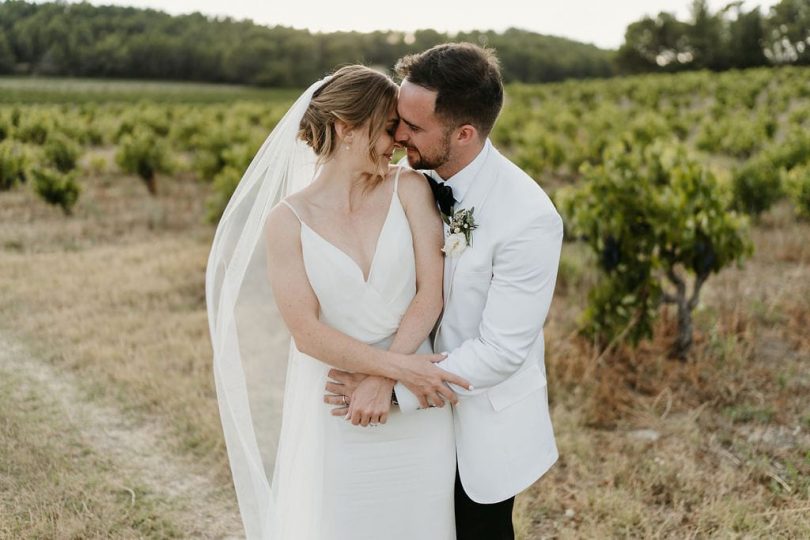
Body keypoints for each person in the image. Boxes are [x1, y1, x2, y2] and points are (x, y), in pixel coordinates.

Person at [206, 64, 471, 539]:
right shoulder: (287, 222)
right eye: (390, 128)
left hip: (416, 413)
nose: (399, 143)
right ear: (347, 128)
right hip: (337, 411)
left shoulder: (408, 189)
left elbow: (431, 294)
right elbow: (306, 332)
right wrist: (399, 372)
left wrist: (385, 378)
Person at [325, 43, 564, 539]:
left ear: (465, 133)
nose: (396, 133)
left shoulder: (529, 219)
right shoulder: (403, 181)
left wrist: (390, 385)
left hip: (479, 426)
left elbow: (501, 352)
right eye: (398, 119)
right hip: (404, 425)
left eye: (412, 126)